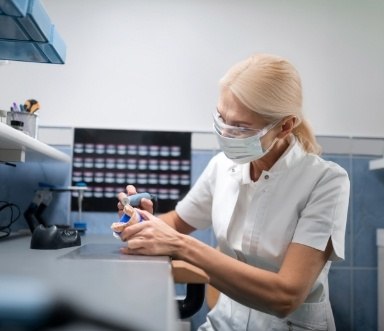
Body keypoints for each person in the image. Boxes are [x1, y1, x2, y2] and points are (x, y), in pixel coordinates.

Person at [115, 53, 350, 331]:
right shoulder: (222, 166)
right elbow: (178, 222)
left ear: (285, 126)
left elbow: (286, 296)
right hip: (224, 324)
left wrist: (180, 245)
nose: (225, 134)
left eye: (240, 127)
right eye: (221, 118)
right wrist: (139, 220)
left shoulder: (325, 181)